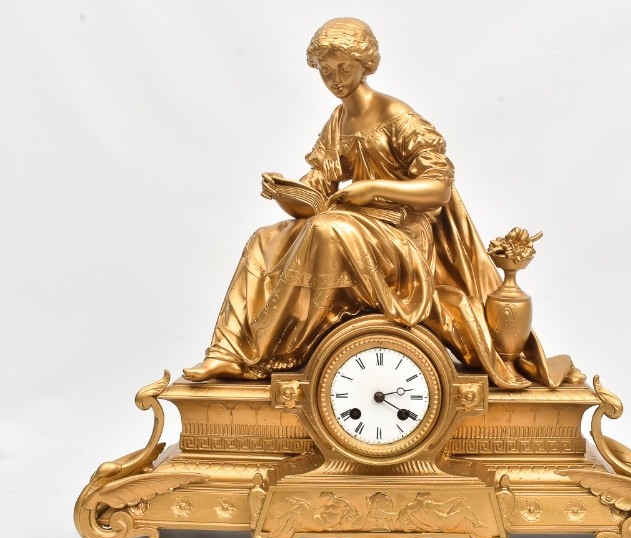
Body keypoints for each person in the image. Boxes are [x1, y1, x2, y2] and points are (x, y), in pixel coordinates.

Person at [184, 18, 576, 389]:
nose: (336, 80)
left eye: (344, 68)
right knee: (265, 239)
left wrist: (373, 190)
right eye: (326, 71)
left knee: (326, 228)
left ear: (365, 64)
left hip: (402, 237)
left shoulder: (397, 116)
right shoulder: (337, 122)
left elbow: (438, 188)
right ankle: (227, 352)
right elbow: (317, 191)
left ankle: (268, 352)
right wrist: (286, 193)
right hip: (353, 226)